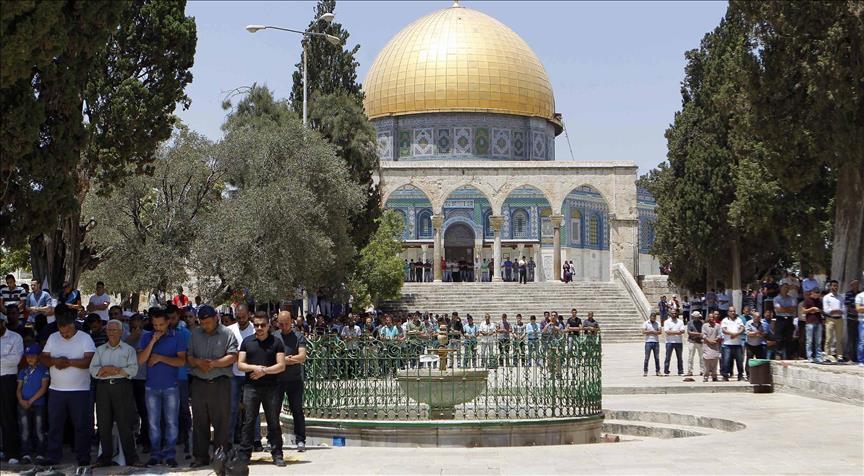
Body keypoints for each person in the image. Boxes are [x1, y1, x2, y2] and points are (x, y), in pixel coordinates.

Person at [41, 312, 96, 471]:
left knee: (81, 425)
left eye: (67, 332)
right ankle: (53, 456)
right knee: (55, 425)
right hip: (56, 390)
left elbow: (90, 361)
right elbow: (43, 358)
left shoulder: (85, 338)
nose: (64, 335)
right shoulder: (53, 338)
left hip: (80, 390)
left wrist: (68, 362)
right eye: (62, 332)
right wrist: (55, 361)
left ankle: (83, 456)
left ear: (74, 325)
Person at [186, 305, 238, 468]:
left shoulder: (227, 333)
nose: (205, 326)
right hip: (199, 383)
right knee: (199, 422)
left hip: (220, 383)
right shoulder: (195, 334)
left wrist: (214, 364)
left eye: (208, 322)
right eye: (202, 323)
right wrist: (198, 362)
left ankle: (220, 458)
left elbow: (233, 356)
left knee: (221, 423)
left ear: (216, 318)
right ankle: (200, 457)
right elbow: (189, 356)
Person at [137, 309, 187, 467]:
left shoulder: (177, 337)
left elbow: (181, 361)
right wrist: (152, 342)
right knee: (153, 423)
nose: (158, 328)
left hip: (171, 386)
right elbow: (141, 360)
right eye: (155, 325)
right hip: (151, 387)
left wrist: (160, 358)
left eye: (161, 324)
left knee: (171, 422)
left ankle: (170, 454)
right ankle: (155, 454)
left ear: (168, 322)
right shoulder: (146, 337)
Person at [89, 319, 141, 468]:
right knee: (103, 424)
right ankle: (105, 457)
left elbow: (133, 370)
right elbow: (93, 370)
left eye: (114, 330)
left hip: (122, 387)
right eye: (109, 330)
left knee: (125, 423)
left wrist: (116, 370)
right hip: (103, 388)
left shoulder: (128, 350)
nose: (111, 333)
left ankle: (132, 458)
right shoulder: (100, 350)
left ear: (121, 332)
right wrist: (104, 369)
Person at [237, 314, 286, 467]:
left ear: (268, 325)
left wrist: (264, 371)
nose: (259, 328)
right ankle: (245, 454)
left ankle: (277, 454)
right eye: (257, 325)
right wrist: (255, 368)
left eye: (262, 325)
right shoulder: (247, 342)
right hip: (251, 387)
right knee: (248, 421)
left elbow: (281, 365)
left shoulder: (276, 342)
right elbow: (240, 364)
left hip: (271, 387)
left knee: (273, 421)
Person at [276, 310, 308, 452]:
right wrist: (287, 360)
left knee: (297, 411)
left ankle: (300, 440)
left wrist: (283, 361)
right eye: (281, 324)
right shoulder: (274, 337)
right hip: (277, 379)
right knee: (274, 411)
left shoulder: (298, 337)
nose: (284, 327)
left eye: (286, 324)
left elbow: (302, 357)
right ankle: (274, 440)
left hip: (294, 380)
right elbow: (270, 357)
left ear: (291, 322)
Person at [227, 304, 256, 446]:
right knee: (232, 409)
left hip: (251, 374)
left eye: (243, 317)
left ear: (249, 315)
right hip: (234, 374)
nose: (241, 320)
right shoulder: (229, 330)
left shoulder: (255, 329)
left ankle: (255, 439)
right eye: (238, 317)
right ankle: (229, 440)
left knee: (252, 409)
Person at [16, 344, 48, 465]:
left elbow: (43, 388)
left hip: (38, 403)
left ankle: (40, 454)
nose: (30, 358)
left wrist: (30, 401)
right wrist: (20, 400)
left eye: (33, 356)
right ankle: (26, 454)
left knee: (39, 429)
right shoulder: (23, 371)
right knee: (24, 430)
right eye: (28, 356)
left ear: (38, 356)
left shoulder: (43, 370)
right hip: (23, 404)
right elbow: (19, 388)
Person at [1, 312, 25, 464]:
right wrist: (4, 359)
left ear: (3, 322)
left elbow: (15, 360)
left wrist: (5, 360)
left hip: (7, 380)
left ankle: (12, 453)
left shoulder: (15, 338)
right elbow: (7, 360)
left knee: (8, 416)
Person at [125, 314, 150, 453]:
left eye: (139, 327)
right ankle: (133, 438)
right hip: (129, 378)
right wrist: (130, 340)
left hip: (144, 378)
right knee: (130, 412)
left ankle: (147, 440)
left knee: (145, 411)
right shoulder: (125, 337)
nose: (137, 330)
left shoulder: (148, 336)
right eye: (134, 327)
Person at [822, 280, 845, 362]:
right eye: (834, 285)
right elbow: (826, 310)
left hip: (839, 319)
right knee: (829, 338)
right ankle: (827, 356)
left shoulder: (841, 297)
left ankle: (840, 356)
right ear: (830, 286)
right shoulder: (826, 297)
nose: (835, 287)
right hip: (830, 319)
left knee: (839, 339)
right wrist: (835, 311)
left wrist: (836, 311)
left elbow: (843, 309)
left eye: (836, 286)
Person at [773, 284, 798, 359]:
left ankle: (788, 355)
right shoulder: (776, 299)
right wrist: (788, 308)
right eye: (784, 288)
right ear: (780, 289)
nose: (786, 289)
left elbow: (793, 309)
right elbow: (778, 309)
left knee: (789, 338)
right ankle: (778, 354)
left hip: (789, 319)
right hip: (780, 319)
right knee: (779, 337)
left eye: (787, 288)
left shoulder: (792, 299)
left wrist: (783, 308)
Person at [720, 309, 745, 381]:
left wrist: (736, 334)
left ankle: (740, 375)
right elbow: (724, 330)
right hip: (727, 344)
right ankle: (725, 375)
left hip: (738, 344)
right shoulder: (725, 320)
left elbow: (742, 328)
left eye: (734, 311)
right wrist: (732, 334)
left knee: (739, 361)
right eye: (731, 311)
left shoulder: (739, 320)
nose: (733, 312)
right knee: (726, 360)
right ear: (728, 312)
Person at [744, 312, 770, 380]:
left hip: (759, 344)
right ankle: (748, 375)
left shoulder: (762, 323)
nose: (758, 319)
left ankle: (760, 375)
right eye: (757, 317)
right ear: (753, 317)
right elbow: (748, 333)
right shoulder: (748, 323)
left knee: (760, 360)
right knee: (749, 360)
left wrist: (756, 334)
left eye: (759, 317)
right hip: (750, 345)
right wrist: (757, 333)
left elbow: (764, 334)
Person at [801, 289, 824, 363]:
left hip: (818, 321)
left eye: (818, 293)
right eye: (815, 293)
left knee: (818, 341)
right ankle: (809, 356)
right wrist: (812, 309)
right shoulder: (807, 300)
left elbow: (822, 311)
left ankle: (818, 357)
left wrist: (818, 310)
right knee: (809, 340)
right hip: (810, 322)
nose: (817, 295)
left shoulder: (820, 301)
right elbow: (803, 311)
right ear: (812, 293)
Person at [662, 311, 684, 376]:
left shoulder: (680, 321)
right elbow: (667, 332)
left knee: (679, 358)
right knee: (668, 357)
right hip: (669, 342)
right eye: (672, 313)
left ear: (677, 314)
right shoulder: (667, 322)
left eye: (675, 313)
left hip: (678, 342)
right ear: (670, 314)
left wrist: (672, 331)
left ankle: (680, 371)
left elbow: (682, 331)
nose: (674, 314)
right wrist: (677, 332)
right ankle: (666, 371)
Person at [701, 312, 722, 382]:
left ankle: (714, 376)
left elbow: (720, 335)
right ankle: (705, 376)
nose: (711, 318)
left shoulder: (718, 326)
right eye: (710, 317)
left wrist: (715, 340)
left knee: (714, 363)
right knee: (706, 363)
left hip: (715, 346)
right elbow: (703, 335)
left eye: (713, 317)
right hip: (707, 346)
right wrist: (709, 341)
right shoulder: (705, 326)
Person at [642, 313, 661, 377]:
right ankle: (645, 371)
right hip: (648, 342)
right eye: (652, 318)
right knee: (647, 357)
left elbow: (660, 332)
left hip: (656, 342)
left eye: (654, 318)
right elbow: (643, 331)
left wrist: (650, 331)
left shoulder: (657, 323)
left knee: (657, 358)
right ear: (650, 317)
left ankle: (658, 371)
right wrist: (652, 331)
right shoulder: (646, 323)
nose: (653, 319)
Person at [686, 311, 704, 377]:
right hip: (692, 341)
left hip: (700, 341)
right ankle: (690, 370)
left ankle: (702, 370)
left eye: (697, 317)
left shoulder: (702, 323)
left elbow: (703, 332)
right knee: (691, 357)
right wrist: (698, 334)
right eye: (695, 317)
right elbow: (689, 332)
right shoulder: (689, 323)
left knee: (702, 357)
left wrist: (695, 334)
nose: (696, 318)